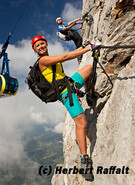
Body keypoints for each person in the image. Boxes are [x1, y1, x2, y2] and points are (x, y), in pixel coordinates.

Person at [31, 35, 100, 181]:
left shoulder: (48, 57)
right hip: (65, 94)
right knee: (81, 123)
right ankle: (84, 161)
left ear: (46, 44)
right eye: (38, 46)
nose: (41, 46)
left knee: (89, 69)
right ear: (34, 50)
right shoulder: (43, 61)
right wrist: (88, 49)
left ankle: (89, 96)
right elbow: (66, 56)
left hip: (70, 85)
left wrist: (84, 46)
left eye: (42, 43)